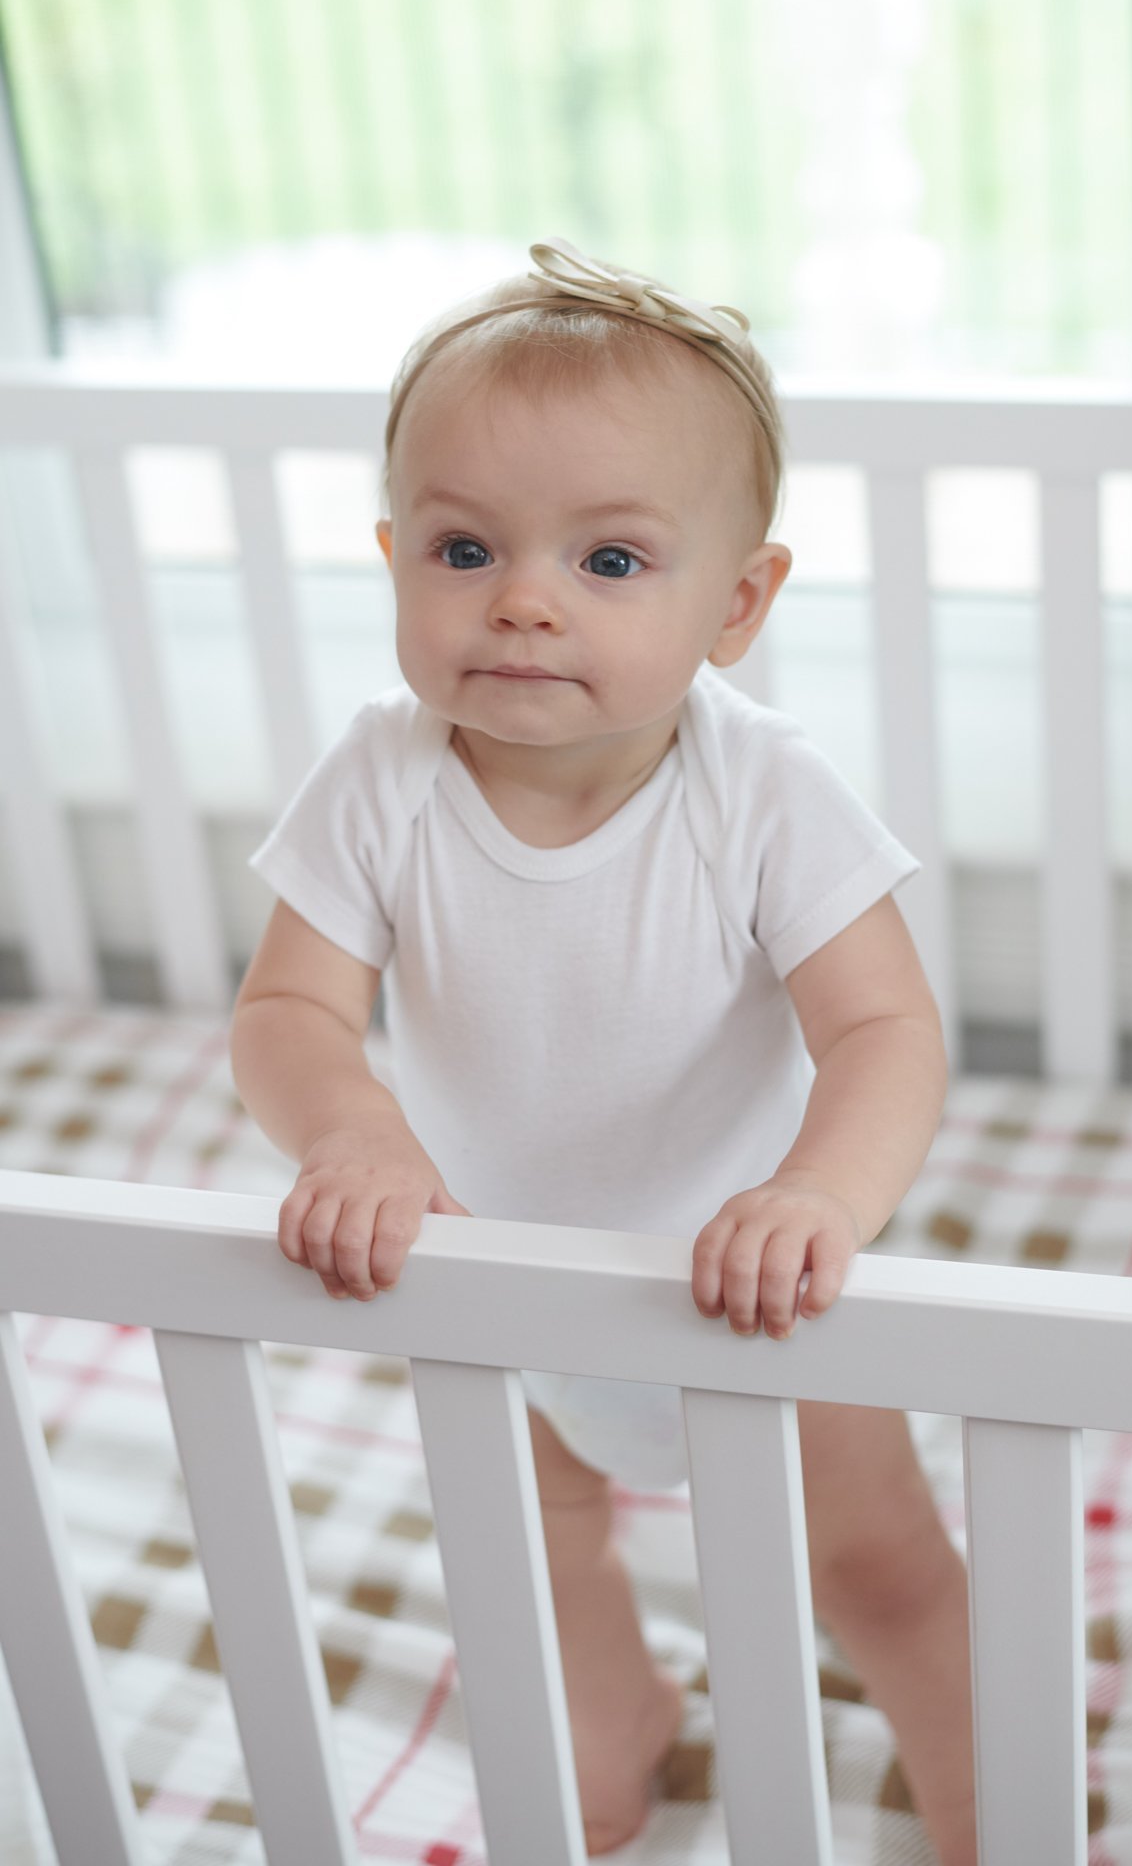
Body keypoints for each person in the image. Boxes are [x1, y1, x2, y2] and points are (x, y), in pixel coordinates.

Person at [230, 237, 976, 1862]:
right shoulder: (381, 778)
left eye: (611, 562)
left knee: (883, 1570)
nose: (522, 597)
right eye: (463, 545)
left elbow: (884, 1030)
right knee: (539, 1553)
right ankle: (613, 1713)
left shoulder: (759, 791)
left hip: (759, 1291)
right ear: (393, 559)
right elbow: (287, 1011)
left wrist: (817, 1202)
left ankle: (982, 1772)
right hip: (513, 1295)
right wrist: (351, 1134)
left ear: (738, 603)